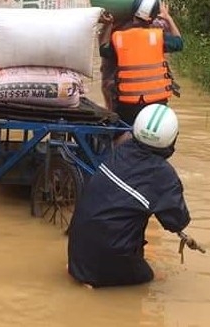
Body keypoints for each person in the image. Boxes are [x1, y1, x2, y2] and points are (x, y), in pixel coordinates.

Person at [67, 104, 195, 288]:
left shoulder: (121, 151)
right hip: (104, 262)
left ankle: (87, 275)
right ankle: (101, 282)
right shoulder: (162, 174)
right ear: (172, 139)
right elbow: (177, 221)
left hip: (76, 254)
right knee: (155, 279)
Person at [98, 0, 183, 126]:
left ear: (133, 13)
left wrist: (109, 25)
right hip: (157, 104)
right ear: (153, 18)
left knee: (121, 132)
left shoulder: (119, 37)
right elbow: (179, 43)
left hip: (127, 106)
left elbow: (103, 49)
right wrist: (168, 18)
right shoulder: (158, 37)